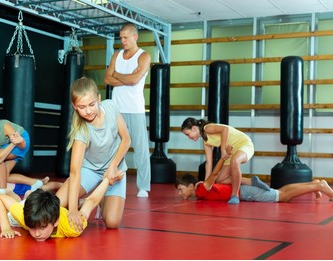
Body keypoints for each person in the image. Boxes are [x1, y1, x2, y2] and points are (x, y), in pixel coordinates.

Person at [54, 77, 130, 232]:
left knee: (112, 222)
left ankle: (99, 200)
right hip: (90, 170)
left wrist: (113, 166)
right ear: (74, 106)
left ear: (99, 99)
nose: (88, 111)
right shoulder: (81, 132)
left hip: (115, 168)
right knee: (56, 205)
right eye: (82, 107)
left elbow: (126, 140)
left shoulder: (110, 107)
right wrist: (73, 210)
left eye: (91, 104)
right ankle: (81, 201)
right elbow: (75, 172)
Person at [104, 22, 151, 198]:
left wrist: (116, 74)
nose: (122, 40)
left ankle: (143, 186)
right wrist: (126, 76)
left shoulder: (144, 56)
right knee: (114, 147)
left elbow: (134, 80)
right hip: (116, 108)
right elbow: (107, 79)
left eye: (125, 37)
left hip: (135, 108)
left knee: (140, 148)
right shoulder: (117, 55)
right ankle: (111, 180)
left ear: (135, 37)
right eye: (120, 37)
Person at [0, 176, 117, 241]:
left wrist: (107, 180)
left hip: (47, 210)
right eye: (32, 228)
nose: (37, 234)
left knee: (21, 202)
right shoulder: (23, 216)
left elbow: (91, 201)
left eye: (42, 227)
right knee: (12, 212)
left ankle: (26, 196)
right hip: (25, 209)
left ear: (56, 222)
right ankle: (14, 193)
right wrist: (6, 228)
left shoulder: (72, 227)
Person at [176, 153, 333, 203]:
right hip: (244, 190)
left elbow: (214, 175)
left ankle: (320, 187)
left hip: (246, 193)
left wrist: (223, 158)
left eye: (181, 189)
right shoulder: (200, 190)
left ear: (191, 185)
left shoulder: (201, 190)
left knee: (282, 197)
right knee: (280, 191)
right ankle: (315, 183)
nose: (180, 193)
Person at [181, 117, 254, 204]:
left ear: (193, 128)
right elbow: (208, 163)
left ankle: (234, 195)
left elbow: (225, 129)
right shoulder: (205, 141)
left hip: (243, 144)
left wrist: (222, 149)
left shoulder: (207, 128)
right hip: (231, 151)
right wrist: (205, 183)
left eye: (187, 134)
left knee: (235, 161)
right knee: (220, 179)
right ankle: (252, 181)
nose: (188, 138)